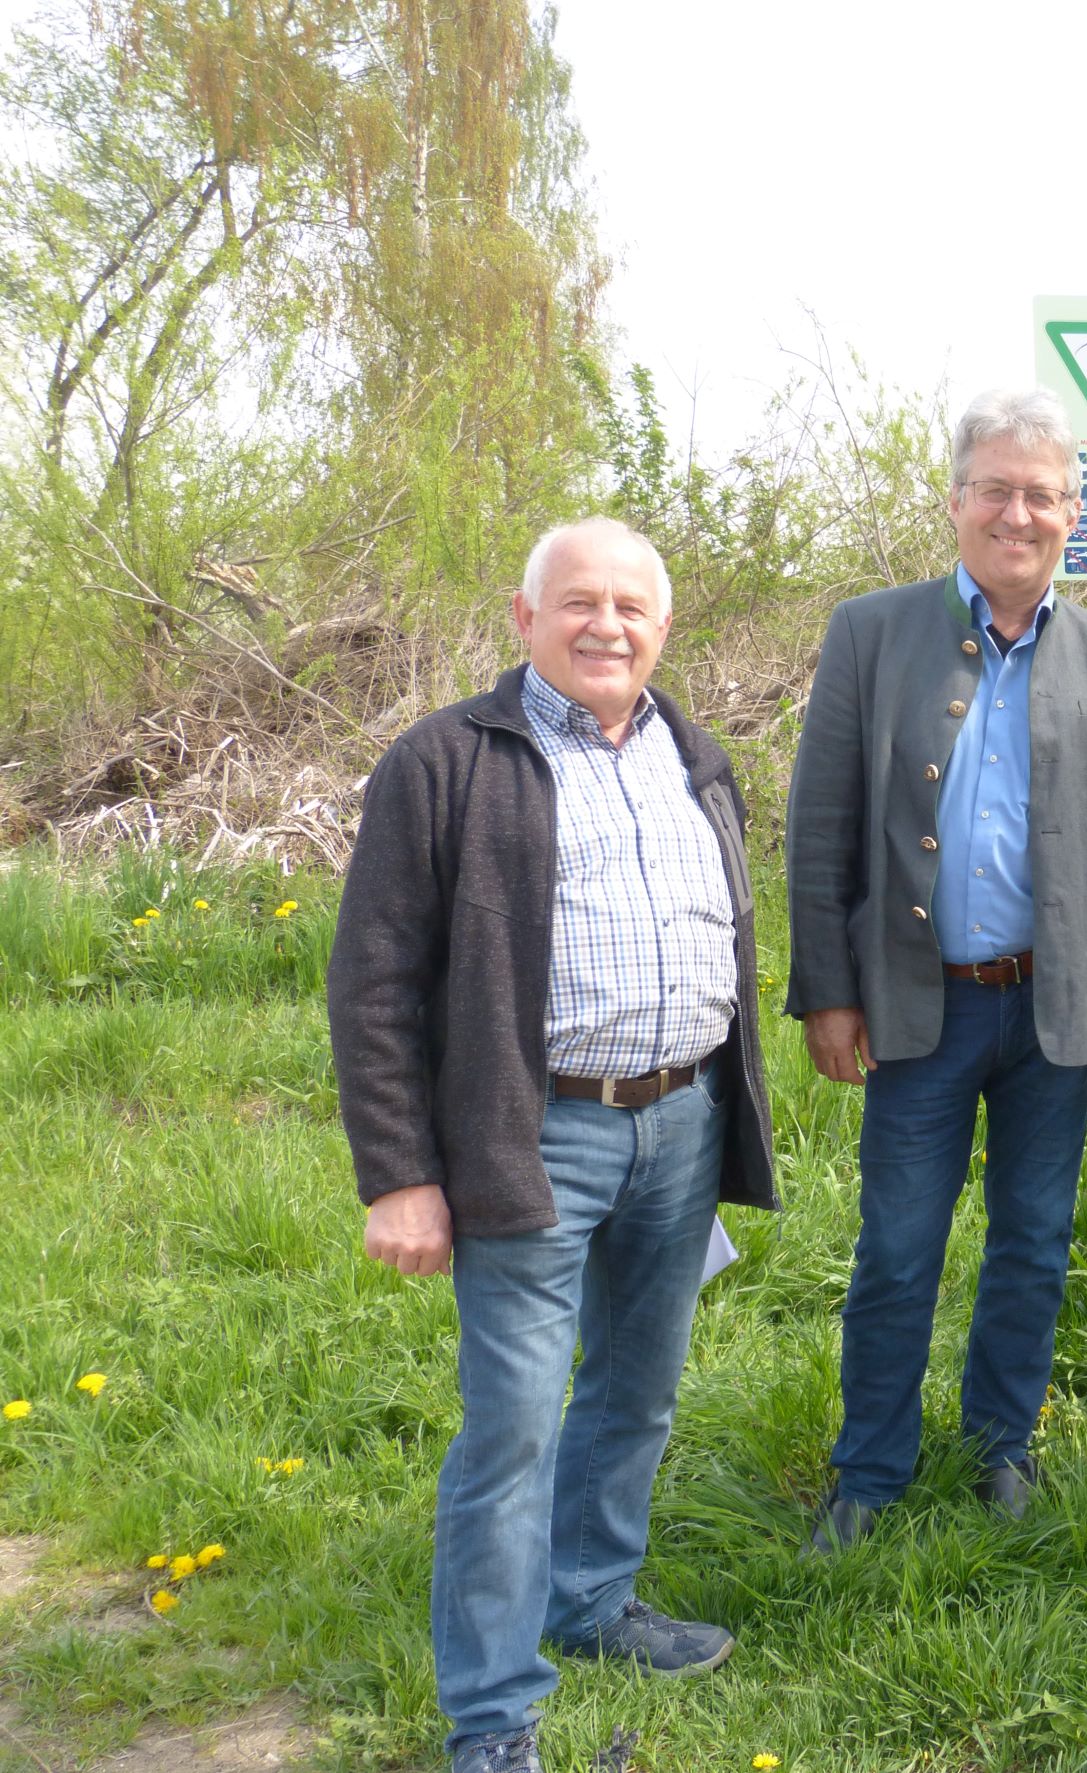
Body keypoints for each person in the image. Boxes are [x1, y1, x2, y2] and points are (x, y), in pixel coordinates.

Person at [327, 518, 777, 1773]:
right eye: (578, 602)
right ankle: (493, 1715)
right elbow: (372, 982)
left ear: (664, 627)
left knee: (636, 1391)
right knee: (514, 1427)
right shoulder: (445, 762)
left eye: (632, 606)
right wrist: (402, 1177)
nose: (606, 625)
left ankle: (588, 1598)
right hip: (531, 1135)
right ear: (525, 619)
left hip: (682, 1123)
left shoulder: (695, 754)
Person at [785, 387, 1087, 1548]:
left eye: (1043, 495)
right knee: (899, 1250)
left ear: (1072, 515)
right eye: (995, 490)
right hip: (920, 1006)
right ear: (955, 502)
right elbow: (820, 828)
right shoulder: (871, 632)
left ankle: (1003, 1448)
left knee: (1033, 1245)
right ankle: (869, 1471)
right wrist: (828, 993)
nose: (1019, 514)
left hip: (1055, 1011)